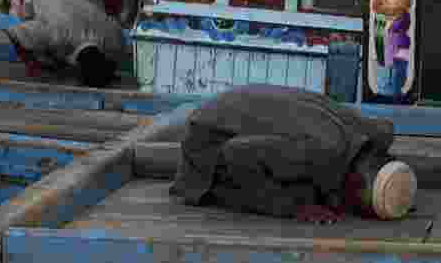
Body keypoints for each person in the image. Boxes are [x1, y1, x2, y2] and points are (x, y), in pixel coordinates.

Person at [170, 84, 418, 224]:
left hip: (239, 104)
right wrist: (294, 207)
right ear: (353, 182)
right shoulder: (319, 152)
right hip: (208, 138)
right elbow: (234, 155)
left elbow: (387, 128)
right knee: (292, 191)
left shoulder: (376, 134)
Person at [3, 0, 128, 87]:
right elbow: (14, 34)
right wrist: (34, 65)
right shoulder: (55, 34)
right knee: (19, 21)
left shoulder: (116, 39)